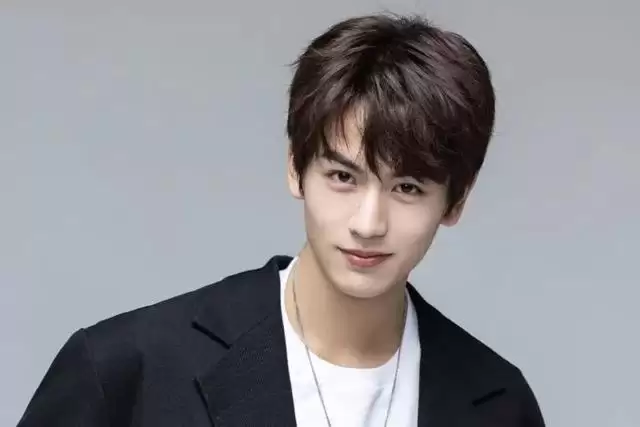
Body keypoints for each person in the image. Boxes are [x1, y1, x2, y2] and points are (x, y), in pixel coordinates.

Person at [17, 13, 545, 427]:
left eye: (407, 188)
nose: (368, 223)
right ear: (296, 168)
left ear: (455, 202)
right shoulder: (126, 369)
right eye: (343, 177)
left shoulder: (499, 403)